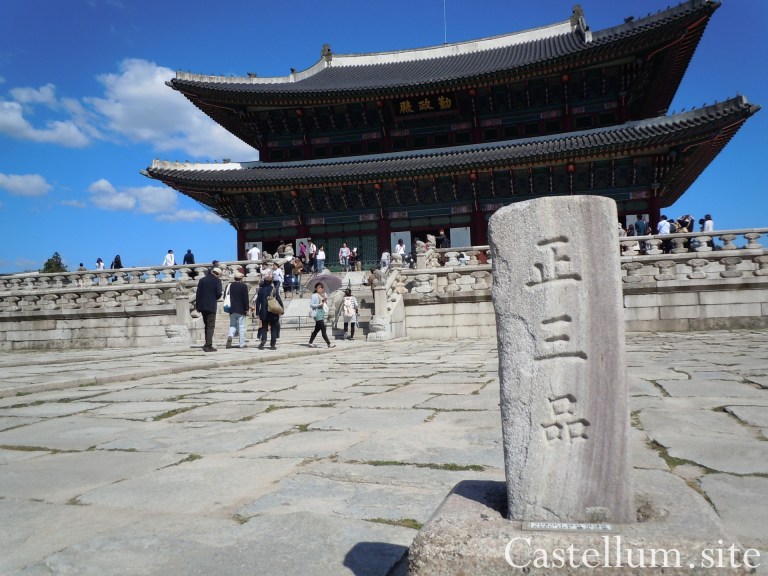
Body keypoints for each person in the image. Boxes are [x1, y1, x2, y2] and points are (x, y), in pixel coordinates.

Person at [196, 267, 223, 352]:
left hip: (202, 306)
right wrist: (215, 297)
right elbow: (219, 293)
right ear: (218, 274)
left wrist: (198, 306)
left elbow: (198, 294)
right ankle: (208, 345)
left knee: (206, 325)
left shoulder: (202, 280)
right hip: (211, 306)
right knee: (210, 326)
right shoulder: (217, 281)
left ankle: (207, 343)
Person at [255, 272, 283, 350]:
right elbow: (279, 300)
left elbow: (258, 302)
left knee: (264, 327)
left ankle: (263, 341)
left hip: (263, 312)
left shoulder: (260, 290)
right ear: (271, 282)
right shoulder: (274, 290)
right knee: (273, 328)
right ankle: (273, 344)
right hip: (273, 311)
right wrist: (282, 309)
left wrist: (257, 312)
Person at [225, 271, 250, 348]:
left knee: (232, 325)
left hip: (231, 309)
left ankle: (230, 335)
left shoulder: (229, 286)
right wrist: (247, 308)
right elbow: (245, 299)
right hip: (241, 309)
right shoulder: (243, 286)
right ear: (241, 278)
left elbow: (225, 297)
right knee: (241, 326)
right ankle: (242, 343)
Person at [308, 282, 335, 348]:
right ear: (316, 288)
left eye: (322, 287)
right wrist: (319, 304)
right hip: (317, 314)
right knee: (323, 329)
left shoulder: (322, 295)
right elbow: (311, 305)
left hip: (321, 313)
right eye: (319, 287)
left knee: (316, 330)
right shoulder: (314, 295)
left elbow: (324, 304)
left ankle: (310, 342)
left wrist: (325, 301)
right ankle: (328, 343)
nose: (321, 289)